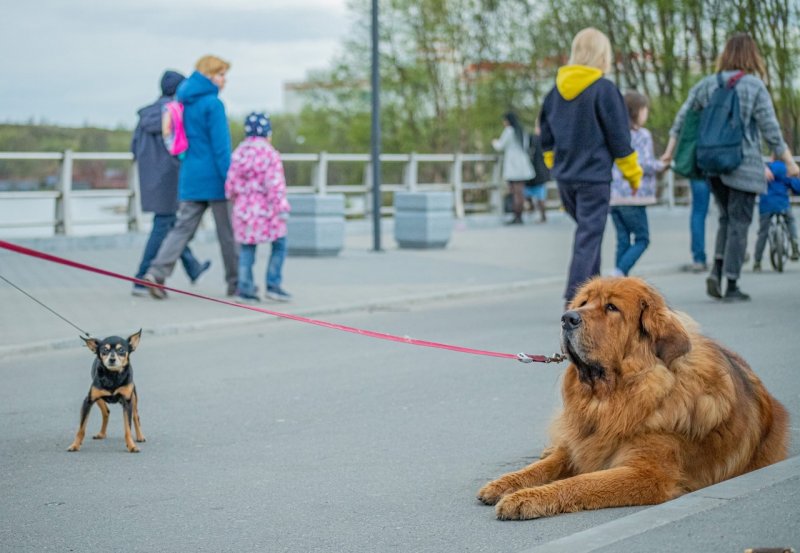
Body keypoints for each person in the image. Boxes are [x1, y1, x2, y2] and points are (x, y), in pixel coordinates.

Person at [661, 33, 800, 301]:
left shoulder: (707, 84)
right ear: (752, 56)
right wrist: (790, 163)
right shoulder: (753, 86)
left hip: (711, 165)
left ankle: (716, 269)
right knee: (739, 222)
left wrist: (668, 153)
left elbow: (681, 120)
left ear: (725, 55)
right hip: (743, 165)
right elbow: (770, 130)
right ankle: (732, 284)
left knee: (725, 217)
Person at [539, 27, 643, 305]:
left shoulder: (554, 93)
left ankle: (592, 296)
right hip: (594, 179)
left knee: (589, 233)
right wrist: (633, 175)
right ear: (602, 55)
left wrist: (556, 166)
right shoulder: (604, 90)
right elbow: (620, 138)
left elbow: (545, 140)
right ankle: (575, 299)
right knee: (588, 235)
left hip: (565, 180)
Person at [144, 55, 238, 299]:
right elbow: (221, 147)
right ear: (209, 75)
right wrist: (230, 178)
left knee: (181, 230)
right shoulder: (213, 104)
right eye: (221, 74)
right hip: (216, 178)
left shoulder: (182, 102)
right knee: (228, 233)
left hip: (190, 175)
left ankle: (156, 272)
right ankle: (236, 282)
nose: (224, 80)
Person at [130, 70, 211, 297]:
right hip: (172, 178)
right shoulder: (176, 113)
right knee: (164, 226)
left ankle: (193, 267)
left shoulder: (144, 116)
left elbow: (134, 148)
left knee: (170, 225)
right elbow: (184, 146)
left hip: (149, 180)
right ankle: (140, 279)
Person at [225, 112, 292, 302]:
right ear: (267, 133)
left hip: (244, 209)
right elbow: (275, 184)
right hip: (267, 209)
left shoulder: (239, 153)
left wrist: (235, 199)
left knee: (247, 249)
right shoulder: (269, 154)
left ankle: (245, 289)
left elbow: (230, 185)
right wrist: (282, 208)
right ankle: (273, 285)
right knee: (280, 244)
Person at [609, 91, 664, 276]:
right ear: (637, 111)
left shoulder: (614, 132)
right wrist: (662, 165)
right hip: (633, 195)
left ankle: (617, 284)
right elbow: (643, 163)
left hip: (614, 195)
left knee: (623, 240)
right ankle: (619, 271)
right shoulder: (641, 135)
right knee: (642, 239)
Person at [753, 156, 800, 271]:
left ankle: (757, 261)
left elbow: (756, 186)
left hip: (766, 205)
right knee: (790, 220)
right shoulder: (786, 170)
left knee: (763, 233)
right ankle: (794, 243)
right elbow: (796, 188)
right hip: (782, 204)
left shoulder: (765, 170)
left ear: (772, 158)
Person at [492, 112, 535, 225]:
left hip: (513, 165)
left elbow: (500, 146)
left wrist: (494, 142)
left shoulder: (509, 131)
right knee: (520, 191)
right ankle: (520, 215)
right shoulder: (522, 131)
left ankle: (517, 216)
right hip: (523, 164)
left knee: (516, 192)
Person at [681, 178, 711, 273]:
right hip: (721, 170)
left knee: (698, 213)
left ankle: (698, 259)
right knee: (727, 214)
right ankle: (732, 253)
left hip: (699, 172)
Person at [525, 122, 550, 223]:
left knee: (536, 194)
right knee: (539, 195)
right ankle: (542, 215)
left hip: (534, 171)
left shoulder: (533, 138)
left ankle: (538, 213)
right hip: (540, 171)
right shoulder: (546, 138)